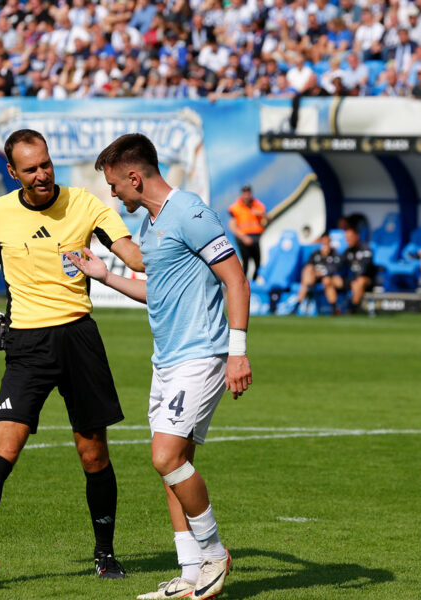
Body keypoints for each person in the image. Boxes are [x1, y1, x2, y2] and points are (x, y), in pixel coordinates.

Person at [65, 133, 252, 600]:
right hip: (166, 360)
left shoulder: (189, 211)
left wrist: (237, 351)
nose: (113, 194)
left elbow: (235, 278)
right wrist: (106, 276)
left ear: (134, 176)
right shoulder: (152, 225)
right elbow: (159, 292)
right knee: (175, 466)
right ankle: (192, 575)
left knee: (165, 457)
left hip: (201, 354)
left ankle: (213, 552)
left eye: (114, 185)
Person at [0, 129, 144, 588]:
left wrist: (180, 240)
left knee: (93, 452)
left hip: (79, 339)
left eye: (46, 164)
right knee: (5, 444)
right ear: (12, 172)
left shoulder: (86, 204)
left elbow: (134, 257)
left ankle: (105, 554)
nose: (41, 175)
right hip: (26, 345)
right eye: (30, 169)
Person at [293, 231, 344, 313]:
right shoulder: (315, 253)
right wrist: (314, 272)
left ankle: (334, 308)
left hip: (327, 277)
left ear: (330, 242)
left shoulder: (334, 254)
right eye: (324, 241)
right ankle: (297, 305)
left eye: (327, 241)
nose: (325, 244)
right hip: (313, 278)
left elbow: (335, 268)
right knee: (307, 272)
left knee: (327, 281)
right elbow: (308, 266)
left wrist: (322, 272)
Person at [227, 184, 268, 281]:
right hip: (243, 239)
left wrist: (262, 214)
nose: (246, 196)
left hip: (255, 238)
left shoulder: (257, 206)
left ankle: (253, 282)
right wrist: (243, 238)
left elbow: (268, 219)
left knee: (257, 263)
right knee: (246, 263)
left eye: (248, 193)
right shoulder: (235, 208)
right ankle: (243, 283)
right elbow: (232, 226)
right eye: (244, 194)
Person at [343, 220, 376, 313]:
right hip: (352, 280)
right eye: (346, 238)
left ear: (356, 236)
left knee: (360, 281)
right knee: (331, 280)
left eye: (350, 237)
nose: (348, 240)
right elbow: (339, 265)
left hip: (367, 280)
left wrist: (355, 280)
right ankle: (333, 309)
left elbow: (364, 268)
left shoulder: (365, 249)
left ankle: (352, 309)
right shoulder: (347, 251)